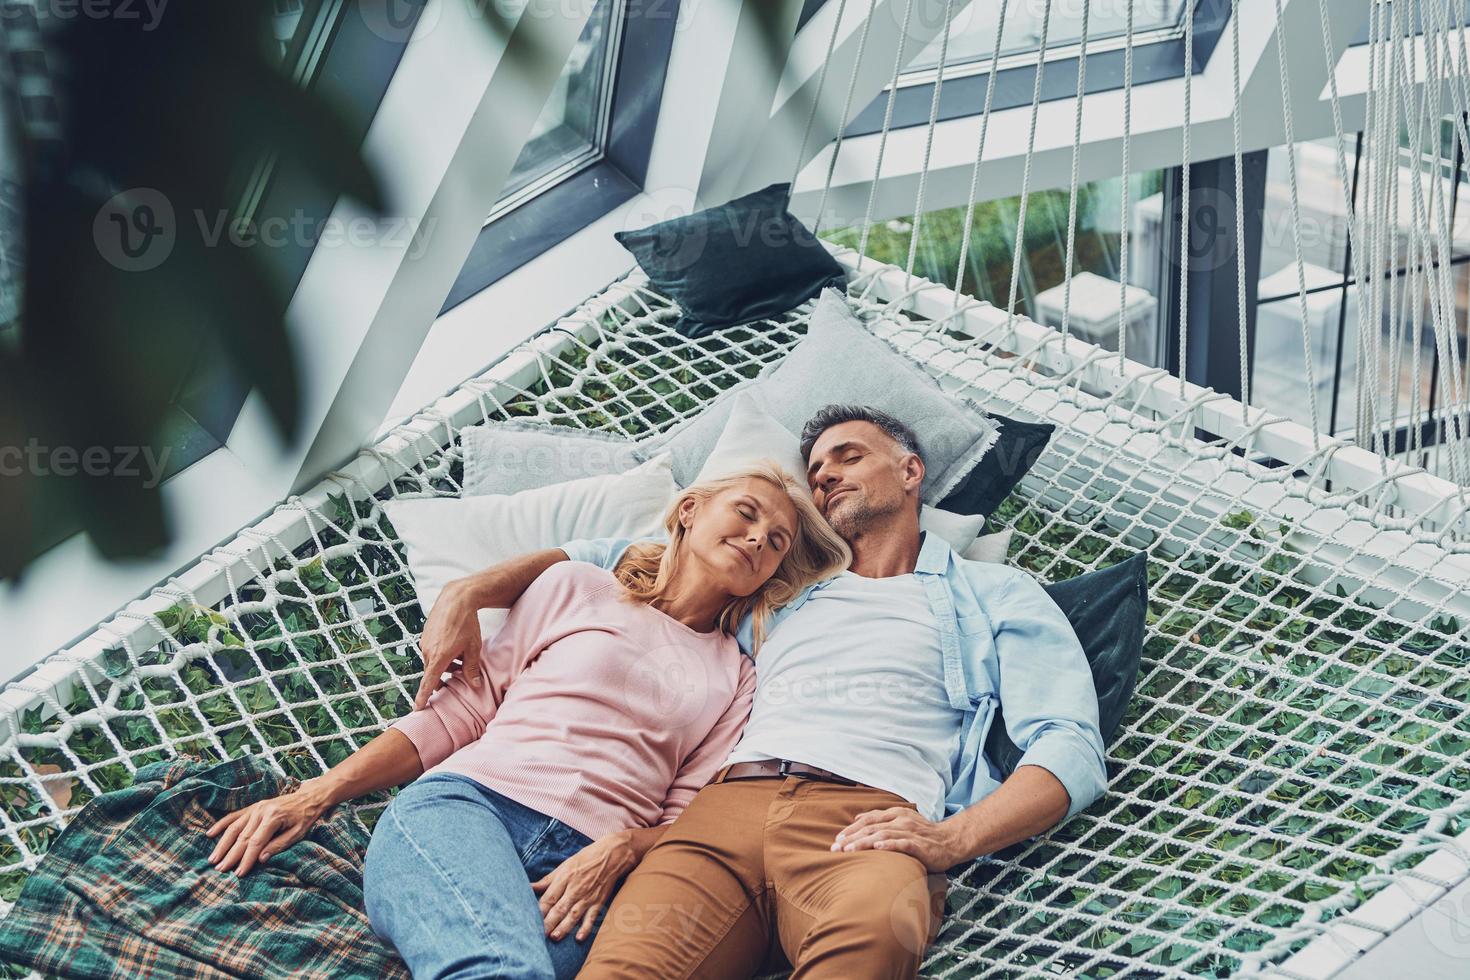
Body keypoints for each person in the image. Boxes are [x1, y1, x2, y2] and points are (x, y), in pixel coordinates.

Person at [462, 404, 1110, 979]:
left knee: (876, 943)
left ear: (910, 472)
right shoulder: (779, 589)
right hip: (718, 818)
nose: (825, 473)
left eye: (847, 456)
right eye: (817, 467)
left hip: (867, 827)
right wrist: (469, 593)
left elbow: (1068, 746)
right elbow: (625, 558)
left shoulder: (993, 593)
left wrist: (956, 838)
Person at [201, 462, 850, 980]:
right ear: (689, 511)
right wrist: (315, 795)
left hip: (584, 875)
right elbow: (460, 712)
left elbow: (687, 818)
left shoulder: (735, 677)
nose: (759, 537)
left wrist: (621, 849)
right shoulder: (579, 586)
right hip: (468, 811)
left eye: (777, 541)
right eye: (747, 512)